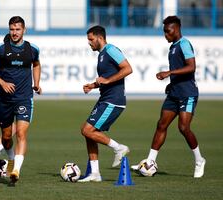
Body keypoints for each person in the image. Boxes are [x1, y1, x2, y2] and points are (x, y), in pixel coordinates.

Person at [131, 16, 206, 178]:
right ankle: (150, 161)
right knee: (161, 125)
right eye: (164, 31)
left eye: (168, 31)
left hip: (187, 94)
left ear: (176, 29)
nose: (165, 34)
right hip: (174, 93)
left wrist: (169, 73)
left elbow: (191, 67)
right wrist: (171, 83)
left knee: (183, 128)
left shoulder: (184, 44)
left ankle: (199, 160)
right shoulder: (173, 47)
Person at [0, 16, 42, 184]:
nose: (14, 32)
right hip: (5, 100)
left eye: (17, 29)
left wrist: (36, 83)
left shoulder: (33, 49)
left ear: (24, 30)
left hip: (24, 98)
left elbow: (36, 64)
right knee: (7, 137)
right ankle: (10, 162)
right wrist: (2, 83)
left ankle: (16, 170)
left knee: (22, 133)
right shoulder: (1, 49)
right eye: (12, 29)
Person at [78, 25, 132, 182]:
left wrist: (107, 80)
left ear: (99, 38)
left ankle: (119, 148)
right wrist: (93, 85)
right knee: (89, 134)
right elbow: (106, 78)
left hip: (113, 101)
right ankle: (95, 173)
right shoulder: (101, 55)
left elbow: (128, 69)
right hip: (105, 99)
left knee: (87, 130)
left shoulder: (111, 50)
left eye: (91, 39)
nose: (89, 43)